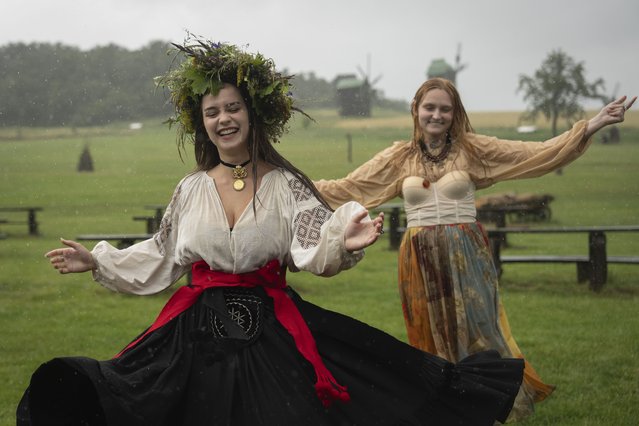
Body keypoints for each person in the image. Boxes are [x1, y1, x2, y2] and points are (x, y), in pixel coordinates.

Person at [16, 40, 525, 426]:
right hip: (194, 333)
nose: (223, 119)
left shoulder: (284, 185)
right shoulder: (191, 188)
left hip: (273, 331)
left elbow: (311, 242)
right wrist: (99, 261)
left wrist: (340, 242)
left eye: (232, 108)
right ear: (203, 124)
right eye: (211, 112)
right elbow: (162, 252)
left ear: (253, 114)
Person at [315, 77, 636, 421]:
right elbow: (348, 187)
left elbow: (536, 152)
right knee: (431, 335)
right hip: (420, 259)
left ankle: (482, 401)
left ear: (455, 114)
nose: (436, 115)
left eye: (445, 109)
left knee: (478, 332)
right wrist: (286, 178)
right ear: (416, 110)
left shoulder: (473, 149)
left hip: (465, 253)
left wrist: (593, 124)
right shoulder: (399, 157)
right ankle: (445, 406)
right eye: (430, 107)